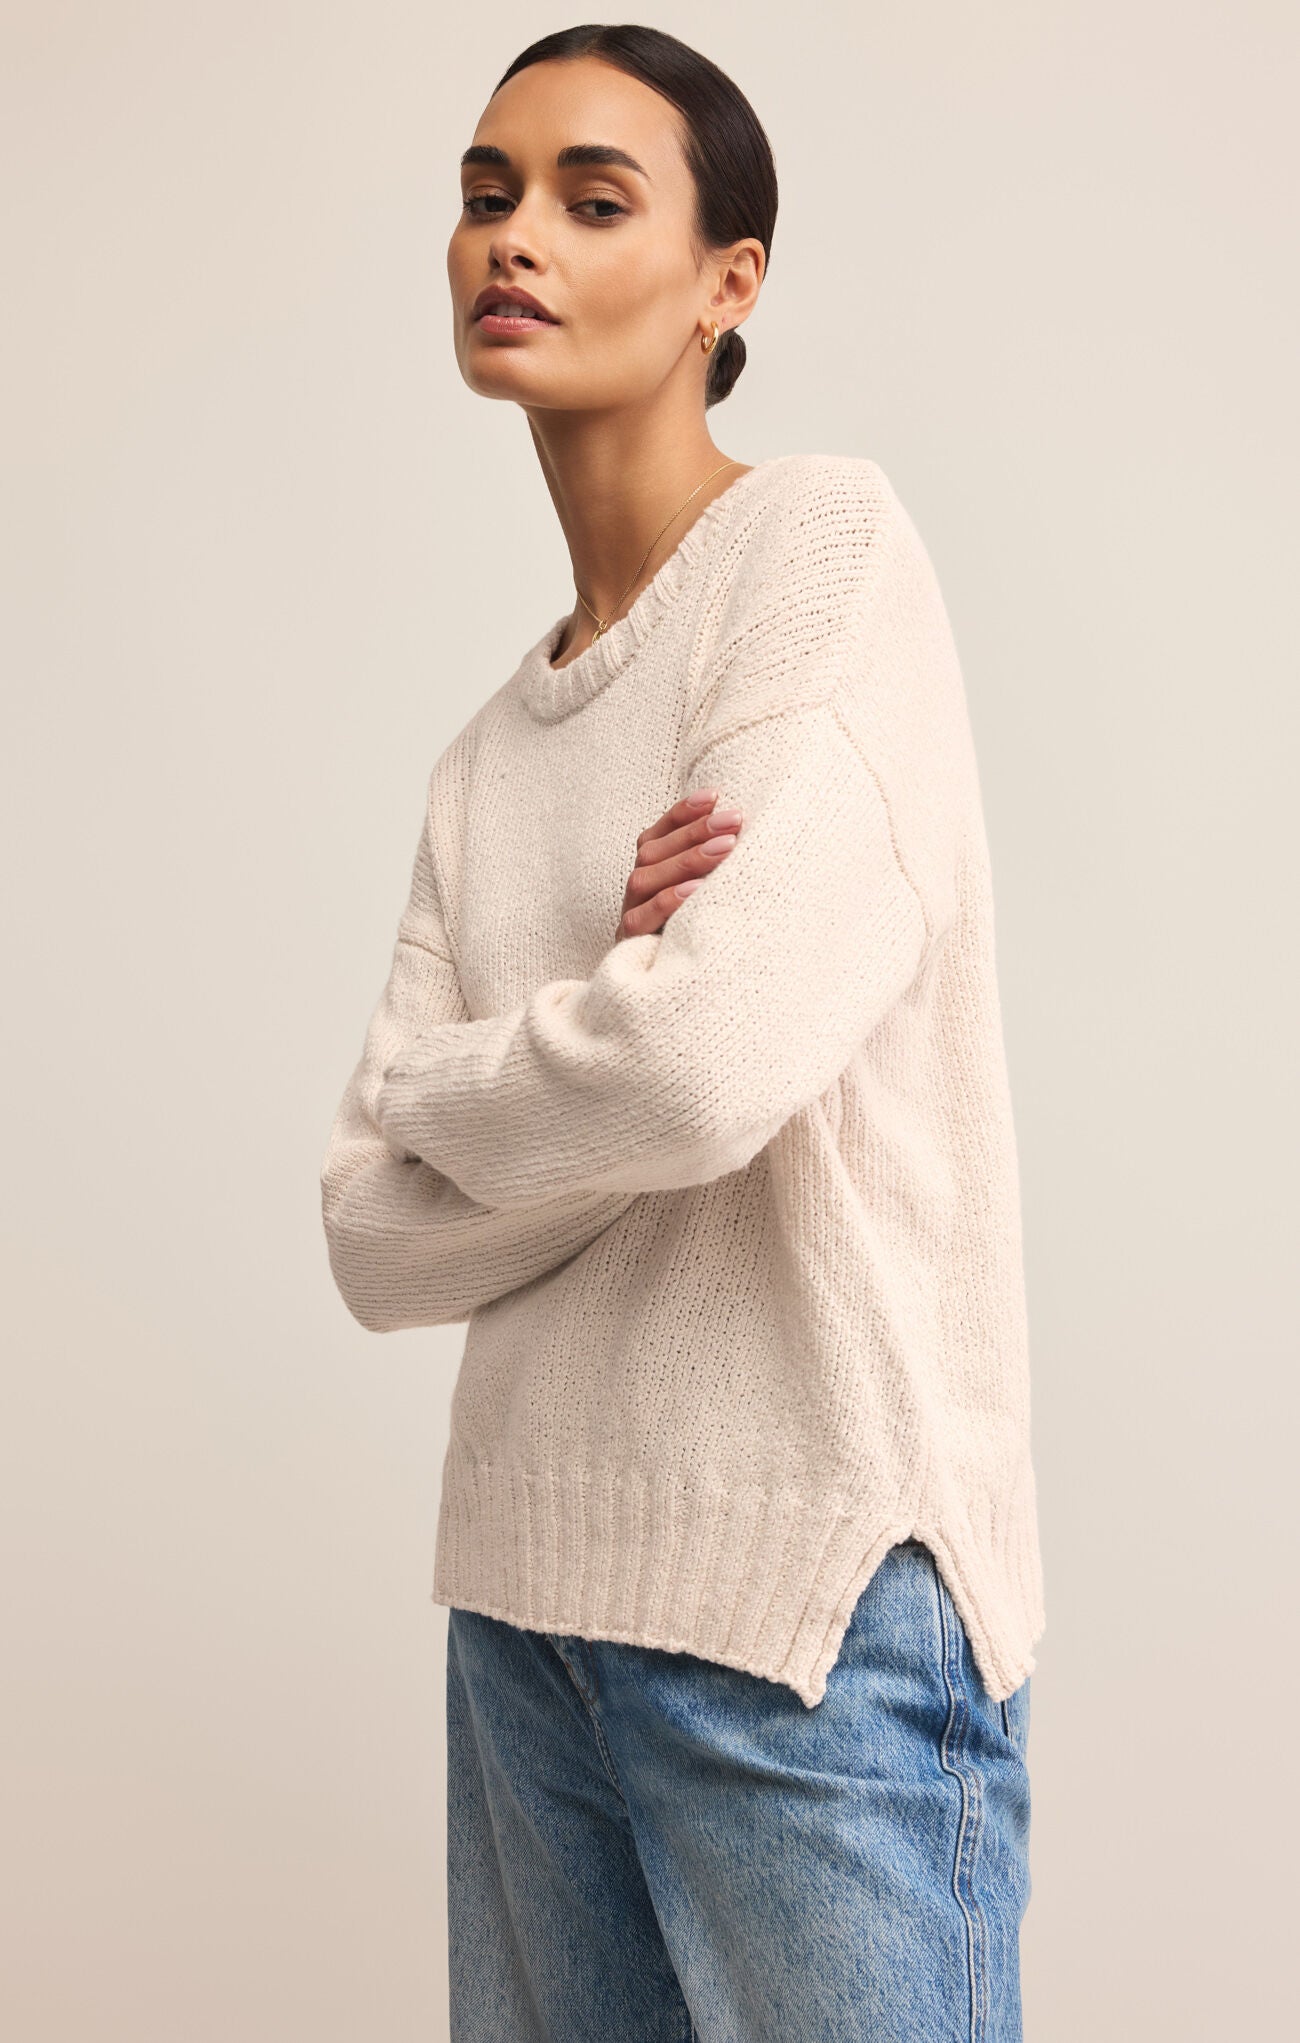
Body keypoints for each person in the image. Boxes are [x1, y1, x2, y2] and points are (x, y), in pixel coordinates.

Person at [319, 22, 1044, 2042]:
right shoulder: (487, 759)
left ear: (731, 280)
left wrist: (449, 1085)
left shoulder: (818, 557)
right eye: (486, 193)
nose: (513, 238)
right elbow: (369, 1238)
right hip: (519, 1603)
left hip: (802, 1607)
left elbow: (702, 1066)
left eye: (590, 197)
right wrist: (607, 1024)